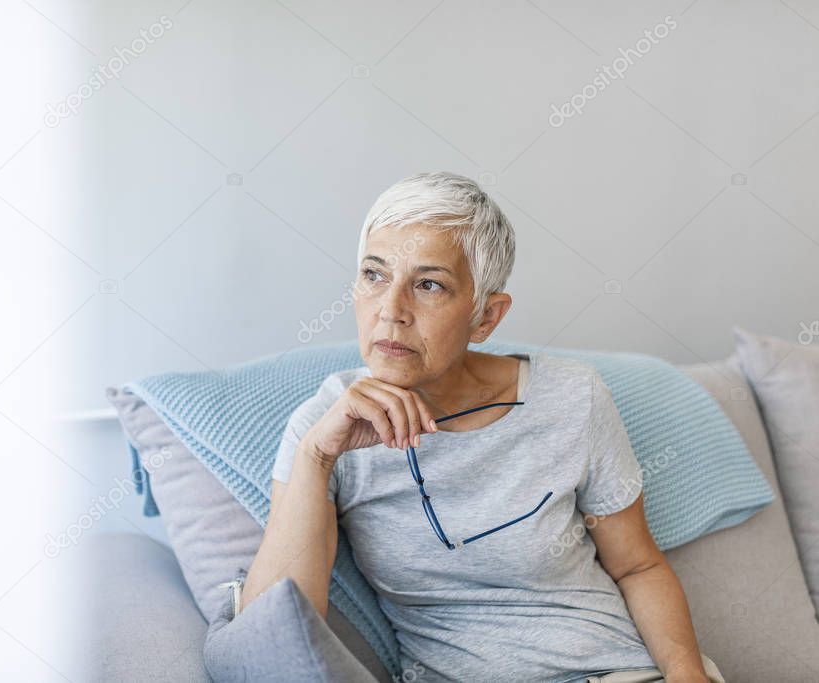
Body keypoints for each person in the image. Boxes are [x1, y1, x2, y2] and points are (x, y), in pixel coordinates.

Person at [240, 171, 723, 683]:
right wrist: (316, 457)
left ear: (486, 317)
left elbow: (637, 567)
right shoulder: (325, 429)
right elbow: (271, 645)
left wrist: (686, 674)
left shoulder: (573, 398)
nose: (391, 311)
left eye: (429, 285)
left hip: (616, 671)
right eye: (374, 275)